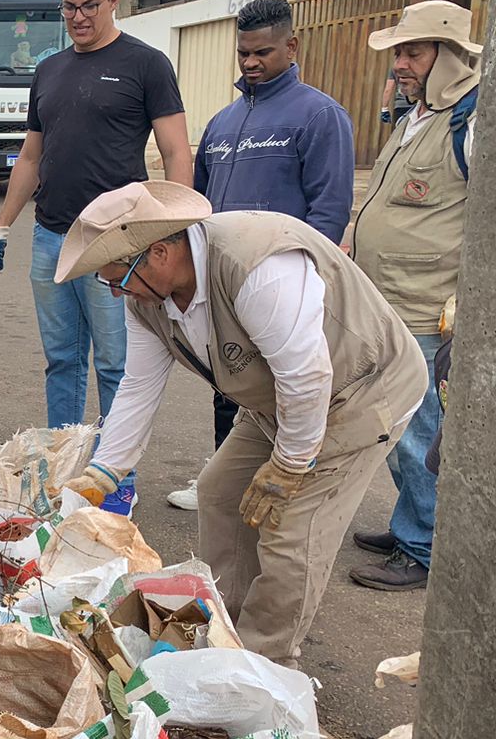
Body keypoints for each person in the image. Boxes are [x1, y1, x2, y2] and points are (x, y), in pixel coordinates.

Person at [58, 182, 425, 665]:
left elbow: (307, 375)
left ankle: (265, 660)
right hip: (281, 401)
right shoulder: (146, 298)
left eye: (118, 277)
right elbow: (138, 384)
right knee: (220, 492)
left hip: (359, 392)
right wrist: (104, 471)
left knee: (293, 531)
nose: (115, 290)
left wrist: (290, 465)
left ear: (161, 254)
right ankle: (224, 626)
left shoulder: (258, 266)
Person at [0, 0, 193, 514]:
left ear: (115, 0)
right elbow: (31, 156)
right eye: (69, 7)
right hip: (52, 236)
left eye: (90, 6)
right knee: (61, 359)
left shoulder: (146, 65)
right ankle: (64, 463)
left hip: (118, 243)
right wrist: (2, 225)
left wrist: (178, 227)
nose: (78, 17)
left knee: (116, 365)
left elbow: (175, 149)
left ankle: (116, 475)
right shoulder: (48, 70)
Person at [166, 0, 356, 511]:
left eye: (263, 53)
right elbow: (199, 204)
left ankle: (290, 485)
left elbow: (330, 209)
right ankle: (223, 482)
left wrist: (307, 284)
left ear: (291, 46)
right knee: (229, 383)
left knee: (285, 386)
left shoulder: (319, 115)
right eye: (243, 53)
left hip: (279, 286)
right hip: (221, 283)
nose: (251, 63)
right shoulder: (224, 122)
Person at [347, 0, 481, 591]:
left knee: (417, 433)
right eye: (398, 52)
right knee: (397, 428)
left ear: (447, 56)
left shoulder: (471, 122)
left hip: (428, 307)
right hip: (386, 302)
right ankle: (413, 525)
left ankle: (423, 547)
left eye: (412, 52)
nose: (399, 63)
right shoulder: (415, 116)